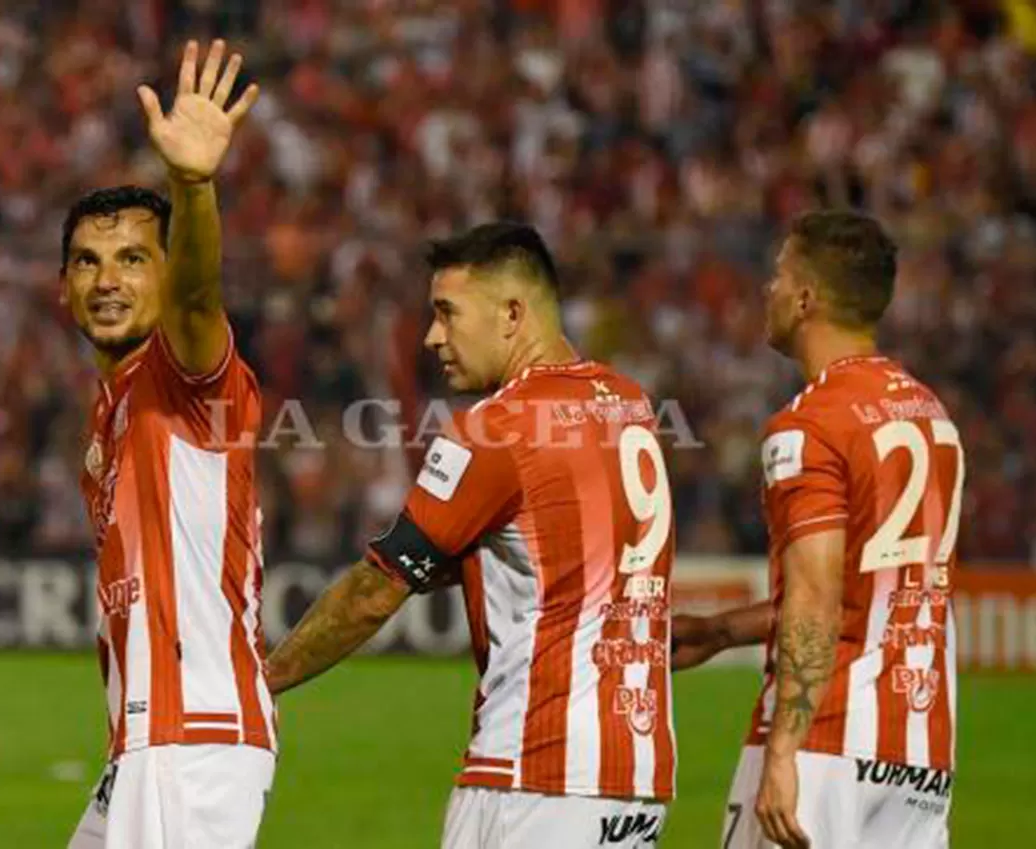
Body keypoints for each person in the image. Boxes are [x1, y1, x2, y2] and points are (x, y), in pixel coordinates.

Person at [265, 222, 677, 849]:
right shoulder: (630, 404)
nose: (433, 337)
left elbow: (377, 590)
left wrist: (263, 680)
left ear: (512, 314)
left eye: (447, 313)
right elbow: (555, 546)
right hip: (637, 773)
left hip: (533, 770)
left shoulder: (497, 427)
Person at [673, 210, 963, 849]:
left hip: (828, 738)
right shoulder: (929, 413)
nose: (766, 290)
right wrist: (724, 630)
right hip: (920, 748)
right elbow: (874, 586)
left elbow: (816, 595)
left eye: (778, 275)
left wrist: (785, 750)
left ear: (806, 299)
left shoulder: (808, 425)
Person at [61, 39, 272, 849]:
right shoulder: (110, 409)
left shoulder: (185, 374)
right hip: (151, 743)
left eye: (133, 260)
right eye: (88, 261)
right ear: (63, 285)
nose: (107, 280)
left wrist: (193, 181)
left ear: (166, 270)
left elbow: (198, 295)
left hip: (192, 736)